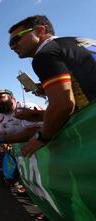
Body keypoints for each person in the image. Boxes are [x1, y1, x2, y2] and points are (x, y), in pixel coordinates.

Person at [8, 15, 96, 156]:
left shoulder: (44, 54)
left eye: (16, 39)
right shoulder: (79, 41)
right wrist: (40, 107)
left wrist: (41, 138)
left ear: (40, 31)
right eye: (10, 44)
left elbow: (63, 105)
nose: (12, 47)